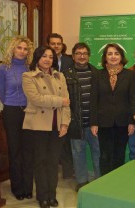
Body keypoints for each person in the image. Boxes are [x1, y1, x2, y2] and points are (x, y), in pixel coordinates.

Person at [22, 46, 70, 208]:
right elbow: (36, 99)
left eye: (50, 57)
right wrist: (59, 101)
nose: (48, 59)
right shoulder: (28, 76)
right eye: (44, 56)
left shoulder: (60, 76)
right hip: (38, 125)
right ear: (37, 58)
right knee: (40, 162)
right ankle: (42, 196)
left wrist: (65, 123)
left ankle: (52, 195)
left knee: (53, 162)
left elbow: (67, 102)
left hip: (57, 125)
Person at [90, 43, 135, 176]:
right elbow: (93, 100)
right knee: (105, 155)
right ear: (105, 57)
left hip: (123, 123)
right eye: (109, 54)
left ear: (121, 57)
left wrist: (132, 121)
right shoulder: (97, 75)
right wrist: (94, 122)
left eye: (116, 53)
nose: (113, 56)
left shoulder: (129, 75)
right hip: (103, 122)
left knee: (119, 155)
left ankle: (116, 184)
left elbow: (133, 100)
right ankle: (104, 183)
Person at [0, 36, 34, 200]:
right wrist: (14, 104)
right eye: (19, 47)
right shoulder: (4, 68)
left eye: (25, 49)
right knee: (15, 151)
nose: (22, 51)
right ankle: (17, 188)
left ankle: (27, 187)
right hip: (12, 111)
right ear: (13, 48)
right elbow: (1, 93)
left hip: (30, 112)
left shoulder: (30, 67)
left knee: (28, 151)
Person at [63, 42, 100, 191]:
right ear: (73, 56)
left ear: (89, 56)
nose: (82, 56)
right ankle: (82, 181)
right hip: (76, 122)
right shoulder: (66, 75)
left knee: (98, 152)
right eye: (78, 53)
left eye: (85, 53)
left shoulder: (97, 73)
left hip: (94, 123)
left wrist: (96, 120)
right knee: (78, 153)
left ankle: (100, 180)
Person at [47, 33, 74, 179]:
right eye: (53, 43)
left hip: (66, 103)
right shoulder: (43, 61)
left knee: (66, 140)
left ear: (62, 45)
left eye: (59, 43)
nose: (56, 46)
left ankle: (68, 173)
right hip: (48, 106)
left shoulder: (70, 60)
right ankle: (51, 172)